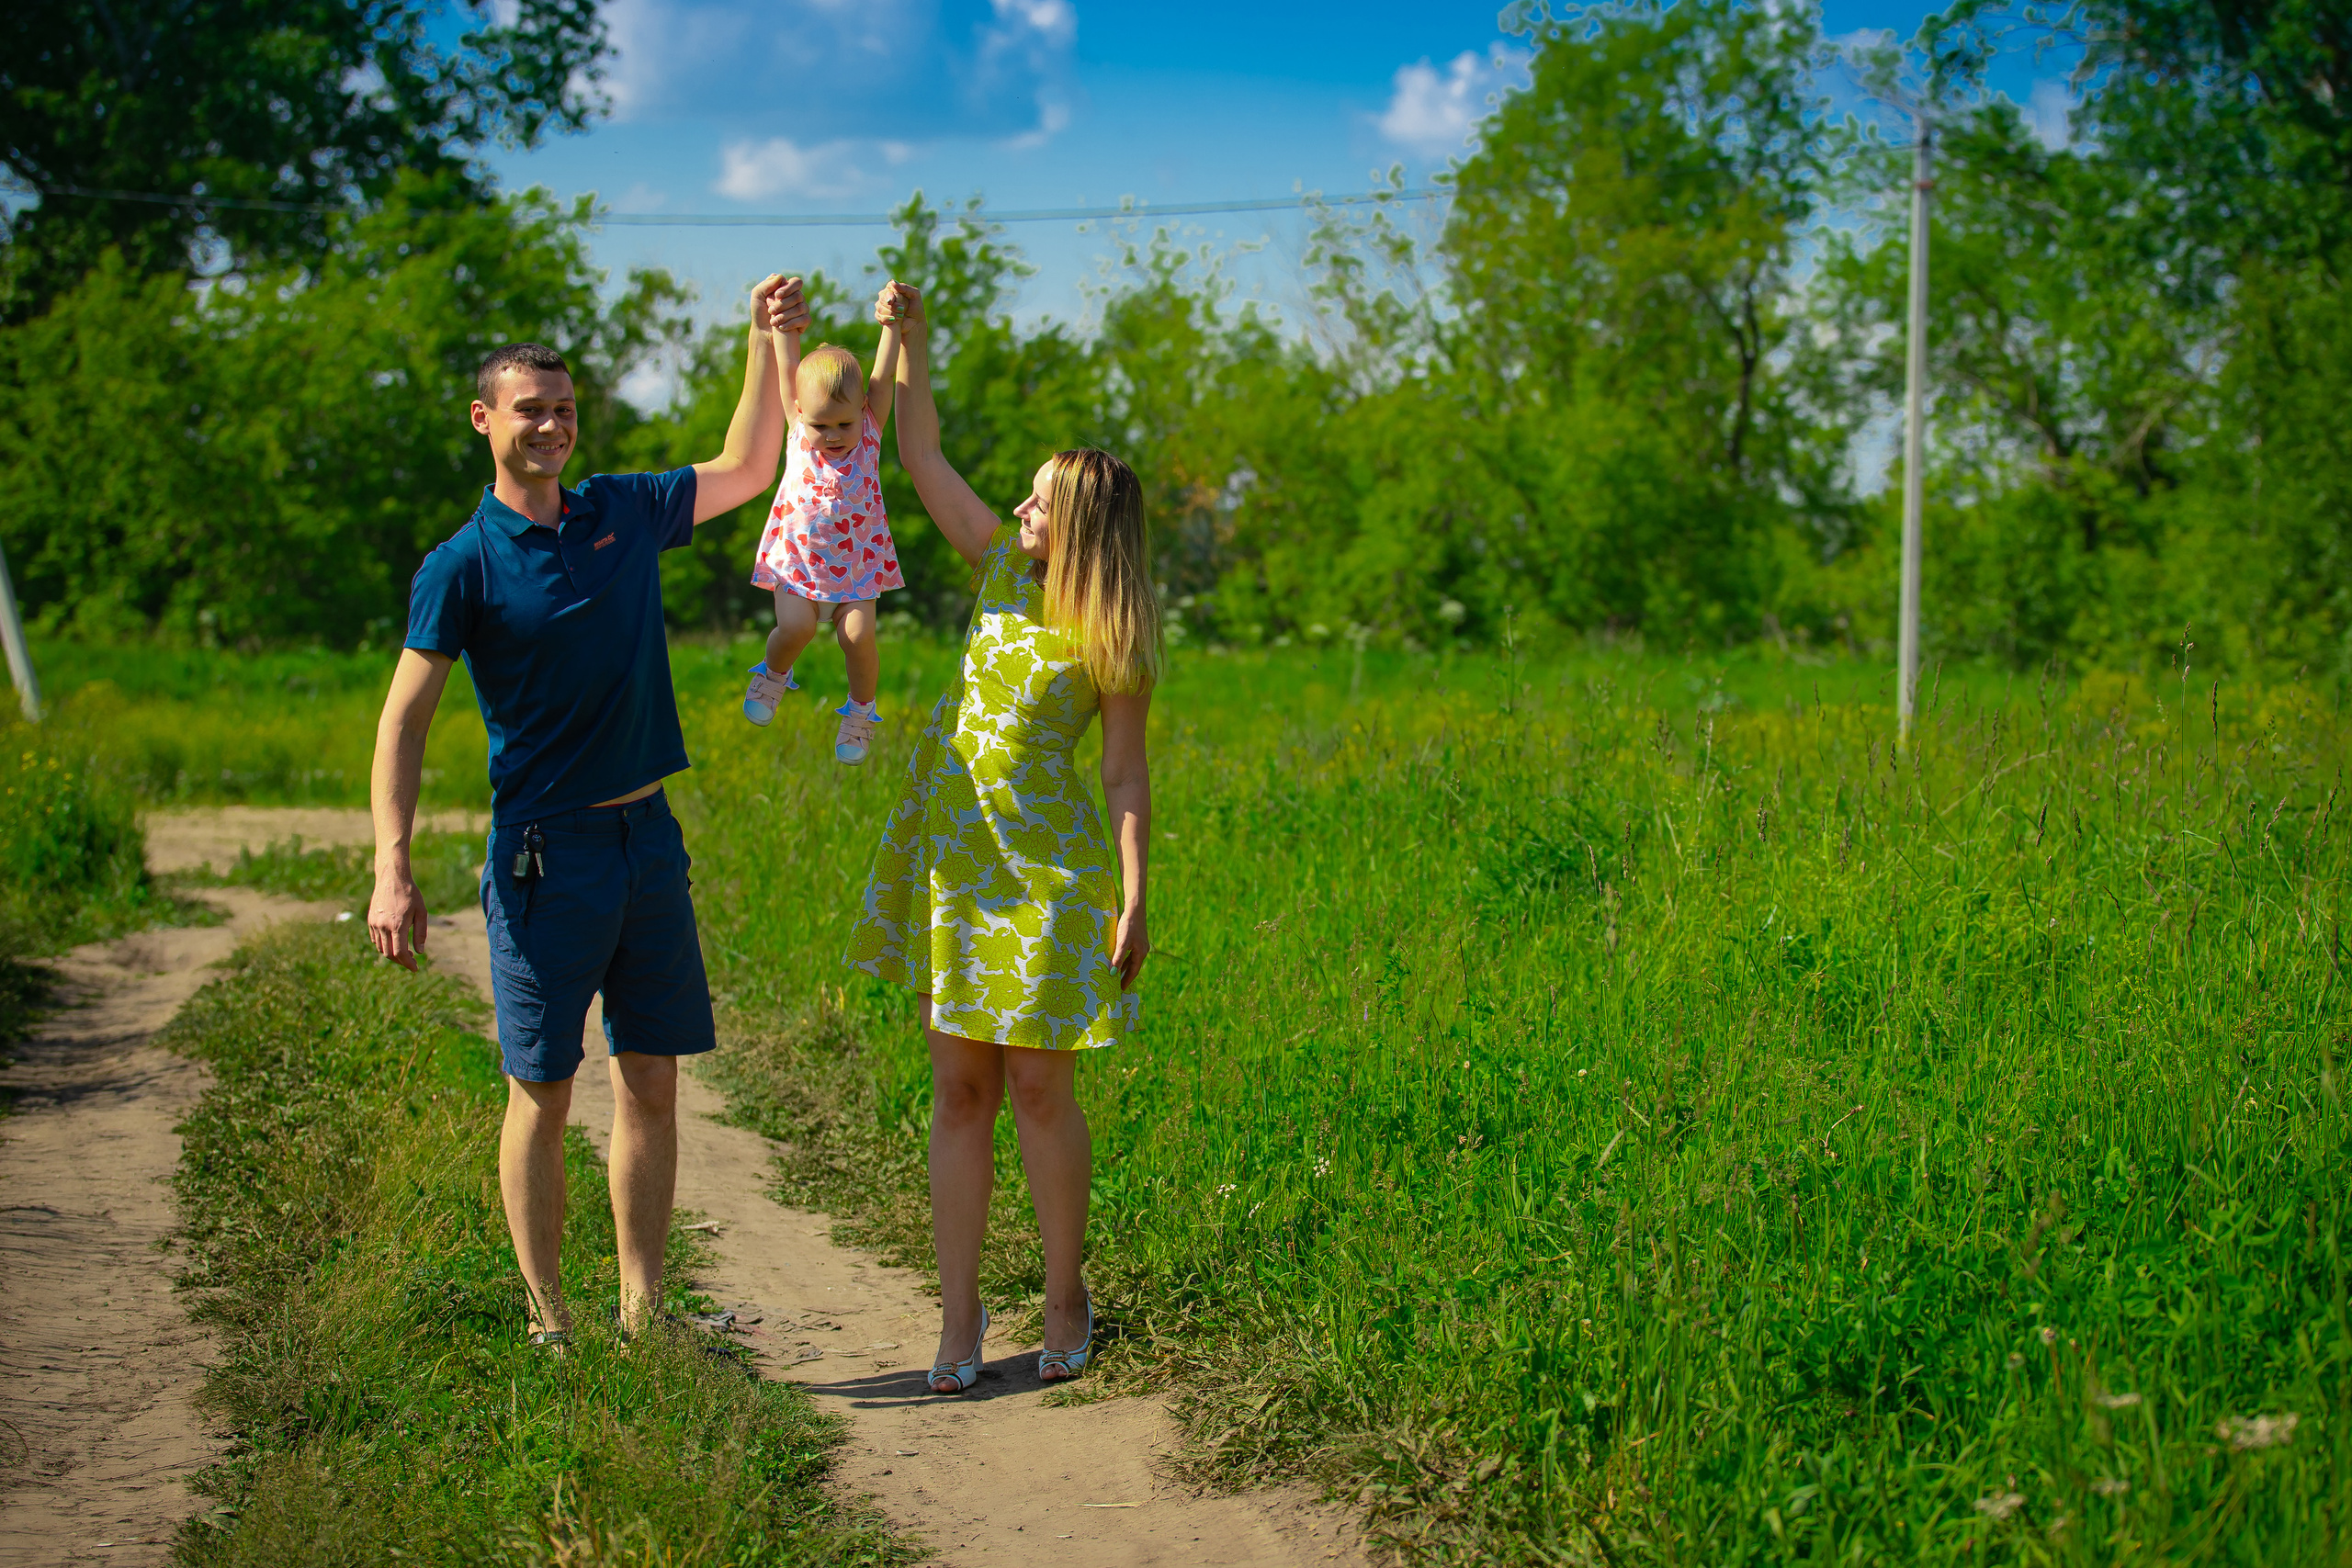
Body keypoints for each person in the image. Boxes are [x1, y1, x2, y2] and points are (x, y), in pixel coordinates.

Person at [366, 275, 810, 1348]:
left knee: (651, 1077)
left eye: (564, 409)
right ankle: (550, 1318)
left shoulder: (617, 511)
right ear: (486, 420)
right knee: (545, 1090)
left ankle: (642, 1308)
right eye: (531, 410)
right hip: (541, 857)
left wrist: (767, 341)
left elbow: (750, 465)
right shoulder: (461, 565)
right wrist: (391, 865)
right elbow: (404, 723)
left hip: (645, 840)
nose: (553, 426)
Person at [843, 280, 1158, 1393]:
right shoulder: (989, 569)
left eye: (1037, 504)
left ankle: (1065, 1295)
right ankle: (961, 1320)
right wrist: (908, 340)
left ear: (1079, 522)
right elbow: (917, 453)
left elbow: (1122, 771)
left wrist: (1133, 892)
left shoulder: (1108, 628)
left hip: (1051, 878)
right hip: (956, 869)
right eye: (1020, 500)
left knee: (1038, 1091)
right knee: (958, 1093)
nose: (1020, 513)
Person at [740, 291, 907, 765]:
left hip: (856, 563)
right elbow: (788, 362)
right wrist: (779, 326)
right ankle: (773, 675)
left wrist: (890, 327)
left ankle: (860, 712)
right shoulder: (798, 429)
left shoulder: (870, 430)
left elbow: (881, 378)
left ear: (862, 414)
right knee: (795, 628)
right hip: (799, 562)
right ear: (800, 412)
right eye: (821, 425)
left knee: (857, 638)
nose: (832, 435)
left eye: (843, 423)